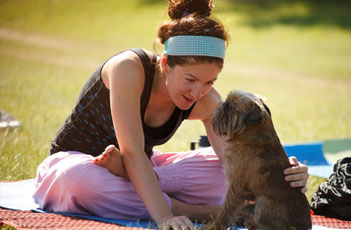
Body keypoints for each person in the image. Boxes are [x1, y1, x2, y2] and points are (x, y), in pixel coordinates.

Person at [32, 0, 309, 229]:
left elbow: (234, 158)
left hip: (145, 168)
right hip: (74, 166)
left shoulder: (204, 98)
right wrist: (166, 216)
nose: (198, 91)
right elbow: (132, 152)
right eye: (190, 79)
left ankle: (134, 180)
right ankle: (193, 209)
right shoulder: (128, 69)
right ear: (166, 62)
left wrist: (282, 172)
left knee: (223, 174)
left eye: (209, 82)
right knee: (79, 180)